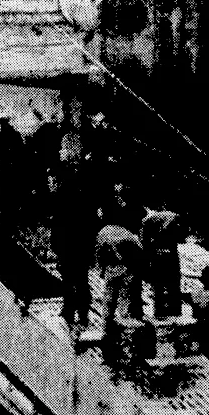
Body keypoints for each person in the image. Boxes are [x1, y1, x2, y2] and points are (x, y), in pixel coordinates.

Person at [50, 133, 98, 327]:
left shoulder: (62, 190)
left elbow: (57, 217)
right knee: (82, 278)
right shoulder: (87, 185)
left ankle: (69, 310)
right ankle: (84, 314)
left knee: (69, 278)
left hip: (68, 241)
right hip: (83, 240)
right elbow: (92, 216)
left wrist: (56, 243)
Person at [96, 219, 144, 337]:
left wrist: (102, 270)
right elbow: (140, 255)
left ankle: (108, 328)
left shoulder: (103, 233)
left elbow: (99, 254)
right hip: (126, 262)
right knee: (129, 295)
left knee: (110, 297)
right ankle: (130, 323)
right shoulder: (129, 236)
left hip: (118, 263)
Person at [141, 202, 184, 318]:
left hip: (156, 255)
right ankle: (175, 310)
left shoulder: (147, 220)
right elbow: (181, 236)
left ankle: (159, 311)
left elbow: (144, 241)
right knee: (173, 282)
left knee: (158, 283)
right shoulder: (175, 216)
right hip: (171, 253)